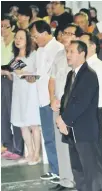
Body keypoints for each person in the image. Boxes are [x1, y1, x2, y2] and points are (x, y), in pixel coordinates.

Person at [57, 40, 102, 191]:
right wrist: (62, 118)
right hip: (72, 131)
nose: (68, 55)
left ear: (82, 54)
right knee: (78, 170)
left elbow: (81, 103)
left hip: (85, 131)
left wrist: (64, 120)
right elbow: (66, 100)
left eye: (72, 52)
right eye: (67, 51)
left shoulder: (89, 75)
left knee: (91, 171)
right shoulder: (71, 74)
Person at [48, 23, 79, 190]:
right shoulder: (59, 55)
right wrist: (52, 98)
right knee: (60, 144)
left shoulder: (80, 56)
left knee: (73, 145)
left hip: (72, 107)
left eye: (70, 33)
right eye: (65, 33)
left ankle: (76, 180)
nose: (66, 36)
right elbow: (52, 79)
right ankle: (65, 180)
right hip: (58, 104)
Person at [29, 20, 60, 181]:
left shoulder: (58, 49)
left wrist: (53, 97)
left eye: (35, 36)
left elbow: (57, 77)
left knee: (57, 138)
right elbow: (40, 73)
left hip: (52, 100)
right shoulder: (40, 51)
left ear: (45, 33)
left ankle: (62, 171)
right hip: (42, 99)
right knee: (48, 137)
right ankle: (54, 169)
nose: (34, 39)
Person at [7, 29, 39, 163]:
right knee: (22, 125)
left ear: (27, 40)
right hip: (18, 92)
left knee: (33, 124)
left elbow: (36, 72)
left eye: (21, 38)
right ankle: (29, 153)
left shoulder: (34, 55)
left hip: (30, 92)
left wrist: (22, 70)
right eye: (17, 38)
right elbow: (13, 74)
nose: (18, 40)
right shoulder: (14, 57)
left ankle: (36, 154)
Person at [80, 32, 102, 158]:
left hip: (96, 111)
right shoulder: (84, 65)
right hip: (87, 112)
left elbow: (98, 94)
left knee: (96, 153)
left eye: (83, 44)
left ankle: (99, 178)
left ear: (92, 46)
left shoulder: (97, 66)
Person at [1, 15, 24, 158]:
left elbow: (20, 61)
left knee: (14, 113)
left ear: (13, 27)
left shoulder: (17, 42)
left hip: (13, 80)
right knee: (2, 114)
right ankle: (7, 144)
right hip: (2, 79)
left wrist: (6, 70)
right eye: (0, 26)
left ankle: (18, 147)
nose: (2, 29)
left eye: (5, 26)